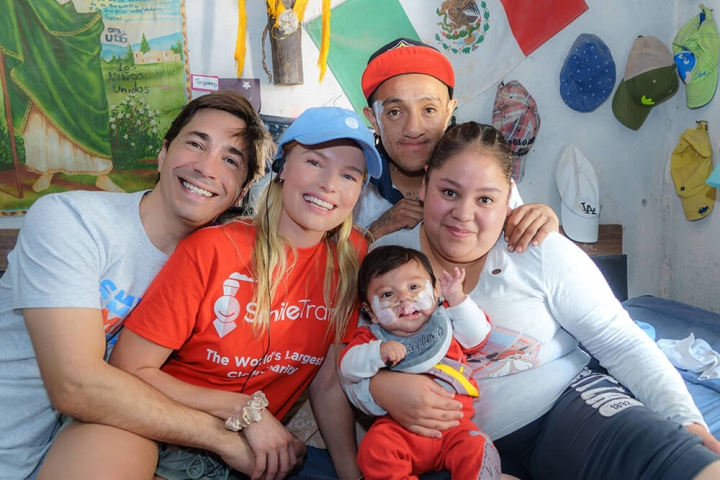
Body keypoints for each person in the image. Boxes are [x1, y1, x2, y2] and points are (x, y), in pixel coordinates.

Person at [347, 121, 720, 480]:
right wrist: (379, 389)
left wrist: (684, 420)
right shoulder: (387, 262)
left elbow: (619, 340)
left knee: (675, 463)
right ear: (425, 184)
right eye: (449, 192)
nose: (463, 214)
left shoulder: (536, 248)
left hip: (563, 408)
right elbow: (350, 362)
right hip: (444, 446)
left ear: (508, 198)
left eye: (485, 199)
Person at [0, 89, 274, 479]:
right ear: (163, 154)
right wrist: (222, 437)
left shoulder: (218, 266)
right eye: (196, 143)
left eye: (230, 160)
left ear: (241, 193)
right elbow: (75, 384)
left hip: (73, 447)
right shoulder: (71, 219)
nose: (206, 168)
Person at [108, 106, 383, 480]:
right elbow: (129, 367)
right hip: (164, 440)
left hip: (257, 459)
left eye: (349, 174)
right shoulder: (212, 249)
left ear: (359, 192)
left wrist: (353, 476)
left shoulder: (352, 258)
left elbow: (328, 381)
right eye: (315, 162)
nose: (329, 184)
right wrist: (242, 408)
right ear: (283, 167)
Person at [355, 37, 557, 249]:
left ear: (448, 112)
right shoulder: (350, 184)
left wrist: (542, 223)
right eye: (395, 112)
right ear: (374, 120)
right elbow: (324, 273)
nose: (413, 129)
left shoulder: (487, 175)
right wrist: (372, 234)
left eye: (429, 109)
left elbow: (523, 246)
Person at [341, 245, 509, 480]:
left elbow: (478, 335)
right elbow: (347, 367)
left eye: (414, 287)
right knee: (375, 449)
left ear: (435, 289)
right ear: (371, 312)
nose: (404, 298)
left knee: (476, 446)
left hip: (454, 426)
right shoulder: (373, 338)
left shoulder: (447, 319)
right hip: (399, 429)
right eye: (388, 294)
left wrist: (457, 299)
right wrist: (376, 352)